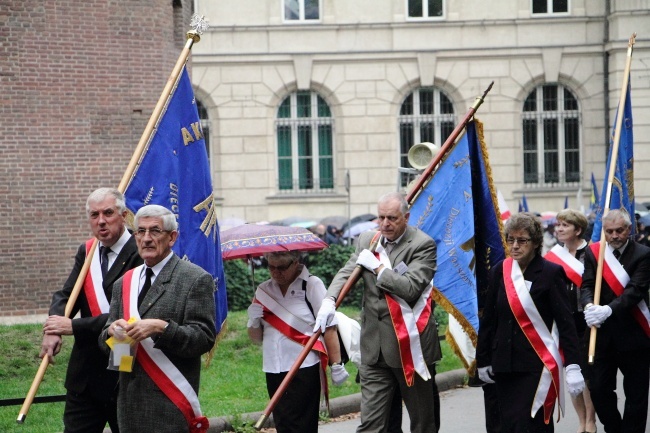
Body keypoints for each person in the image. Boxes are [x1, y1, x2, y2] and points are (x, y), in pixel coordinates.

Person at [314, 192, 441, 433]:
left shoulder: (423, 245)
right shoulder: (368, 240)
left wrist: (380, 269)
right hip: (373, 347)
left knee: (423, 423)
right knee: (371, 424)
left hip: (411, 349)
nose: (385, 224)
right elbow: (347, 272)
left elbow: (411, 288)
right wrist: (329, 300)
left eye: (392, 218)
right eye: (381, 217)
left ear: (406, 217)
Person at [99, 205, 216, 433]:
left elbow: (203, 338)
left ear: (172, 237)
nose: (146, 239)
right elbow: (107, 345)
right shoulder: (125, 282)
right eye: (140, 232)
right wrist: (111, 332)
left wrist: (161, 328)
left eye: (155, 231)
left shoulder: (194, 278)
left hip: (169, 402)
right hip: (128, 404)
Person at [39, 188, 142, 433]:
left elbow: (131, 314)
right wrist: (53, 327)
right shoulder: (87, 251)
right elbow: (67, 295)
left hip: (124, 365)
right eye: (94, 215)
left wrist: (73, 326)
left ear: (124, 215)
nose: (101, 221)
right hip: (85, 376)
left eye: (108, 213)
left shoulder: (141, 252)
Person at [476, 212, 585, 433]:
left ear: (535, 243)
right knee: (501, 426)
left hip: (535, 366)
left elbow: (566, 323)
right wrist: (483, 359)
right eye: (510, 239)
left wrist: (573, 365)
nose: (515, 246)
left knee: (529, 425)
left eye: (522, 240)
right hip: (502, 364)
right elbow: (489, 319)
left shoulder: (551, 273)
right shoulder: (500, 271)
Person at [247, 251, 349, 433]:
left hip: (304, 367)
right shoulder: (263, 290)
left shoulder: (311, 285)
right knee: (283, 422)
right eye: (271, 267)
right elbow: (256, 339)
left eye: (281, 267)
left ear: (295, 263)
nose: (276, 272)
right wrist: (253, 321)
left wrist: (336, 364)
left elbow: (329, 326)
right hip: (273, 367)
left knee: (302, 423)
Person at [580, 209, 650, 433]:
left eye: (619, 230)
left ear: (628, 230)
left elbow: (635, 291)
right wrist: (589, 305)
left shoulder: (643, 254)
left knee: (636, 395)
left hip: (635, 333)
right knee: (599, 389)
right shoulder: (594, 254)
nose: (614, 236)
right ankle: (614, 428)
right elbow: (587, 285)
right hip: (602, 336)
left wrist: (608, 310)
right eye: (609, 231)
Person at [546, 209, 596, 433]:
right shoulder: (554, 255)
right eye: (558, 225)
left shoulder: (593, 253)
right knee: (572, 371)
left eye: (565, 225)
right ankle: (580, 420)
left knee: (588, 372)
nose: (559, 229)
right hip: (564, 320)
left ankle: (591, 420)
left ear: (578, 229)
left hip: (588, 318)